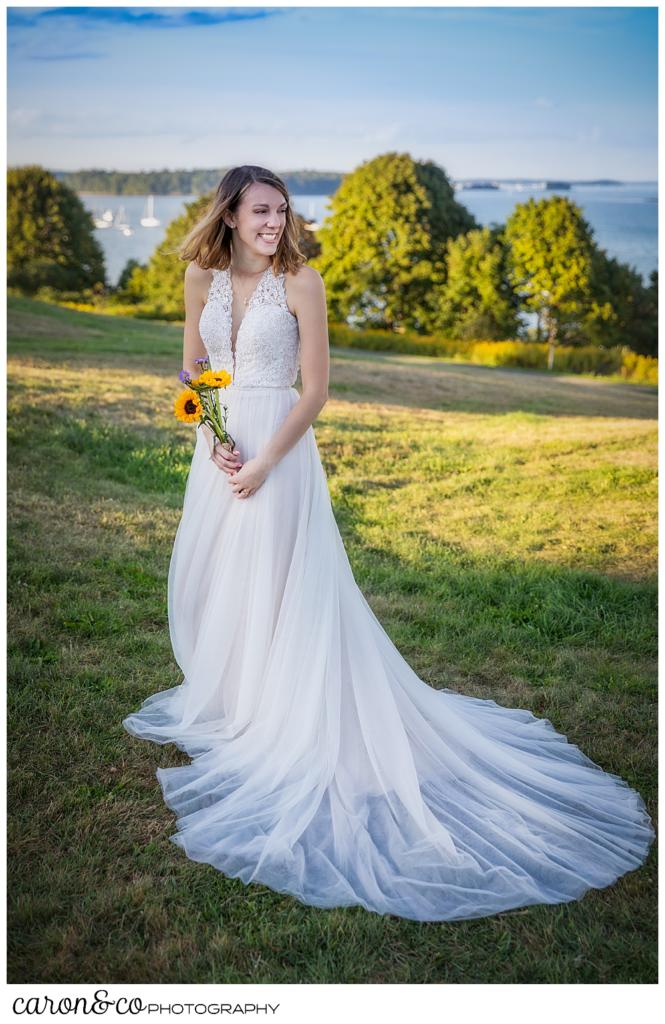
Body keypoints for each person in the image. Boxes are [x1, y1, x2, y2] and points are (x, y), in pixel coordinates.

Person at [123, 165, 654, 922]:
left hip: (278, 450)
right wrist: (210, 440)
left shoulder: (303, 282)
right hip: (221, 454)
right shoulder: (198, 277)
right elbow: (195, 371)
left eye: (282, 210)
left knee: (281, 578)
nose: (275, 223)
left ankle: (288, 711)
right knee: (224, 578)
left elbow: (315, 391)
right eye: (261, 212)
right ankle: (238, 700)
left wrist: (267, 458)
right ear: (231, 215)